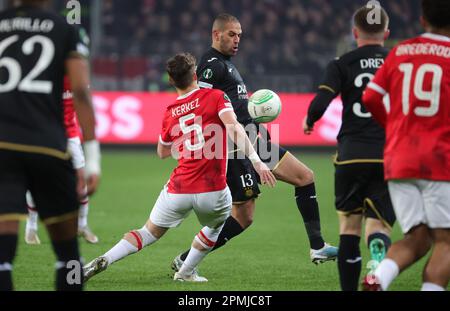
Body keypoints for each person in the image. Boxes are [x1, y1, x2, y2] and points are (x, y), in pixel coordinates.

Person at [83, 53, 276, 282]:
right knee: (216, 225)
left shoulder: (170, 111)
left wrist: (186, 144)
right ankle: (185, 272)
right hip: (212, 190)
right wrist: (257, 161)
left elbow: (162, 152)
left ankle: (106, 258)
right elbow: (233, 127)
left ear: (171, 81)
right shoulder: (216, 96)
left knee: (147, 232)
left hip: (179, 188)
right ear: (195, 75)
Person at [172, 13, 337, 274]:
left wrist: (259, 128)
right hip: (235, 146)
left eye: (239, 35)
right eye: (231, 34)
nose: (237, 40)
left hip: (254, 139)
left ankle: (317, 245)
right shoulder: (211, 65)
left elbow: (237, 107)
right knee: (244, 216)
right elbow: (198, 103)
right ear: (216, 35)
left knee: (305, 176)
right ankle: (186, 259)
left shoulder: (227, 65)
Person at [0, 0, 100, 291]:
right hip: (48, 145)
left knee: (3, 255)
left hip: (3, 146)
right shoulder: (66, 29)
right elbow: (81, 91)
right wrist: (92, 160)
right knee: (68, 253)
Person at [304, 6, 395, 291]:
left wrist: (310, 120)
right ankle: (378, 256)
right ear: (387, 34)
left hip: (351, 154)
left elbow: (321, 101)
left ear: (355, 33)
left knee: (349, 229)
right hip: (389, 154)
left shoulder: (341, 62)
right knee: (379, 223)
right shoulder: (397, 62)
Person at [362, 0, 450, 291]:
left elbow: (371, 98)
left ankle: (379, 278)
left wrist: (394, 127)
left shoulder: (401, 51)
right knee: (446, 241)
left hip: (399, 157)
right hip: (439, 159)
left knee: (417, 238)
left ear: (423, 20)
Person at [25, 76, 99, 245]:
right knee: (37, 182)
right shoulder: (47, 75)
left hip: (70, 136)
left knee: (82, 183)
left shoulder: (78, 78)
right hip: (45, 136)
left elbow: (83, 107)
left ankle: (82, 225)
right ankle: (31, 228)